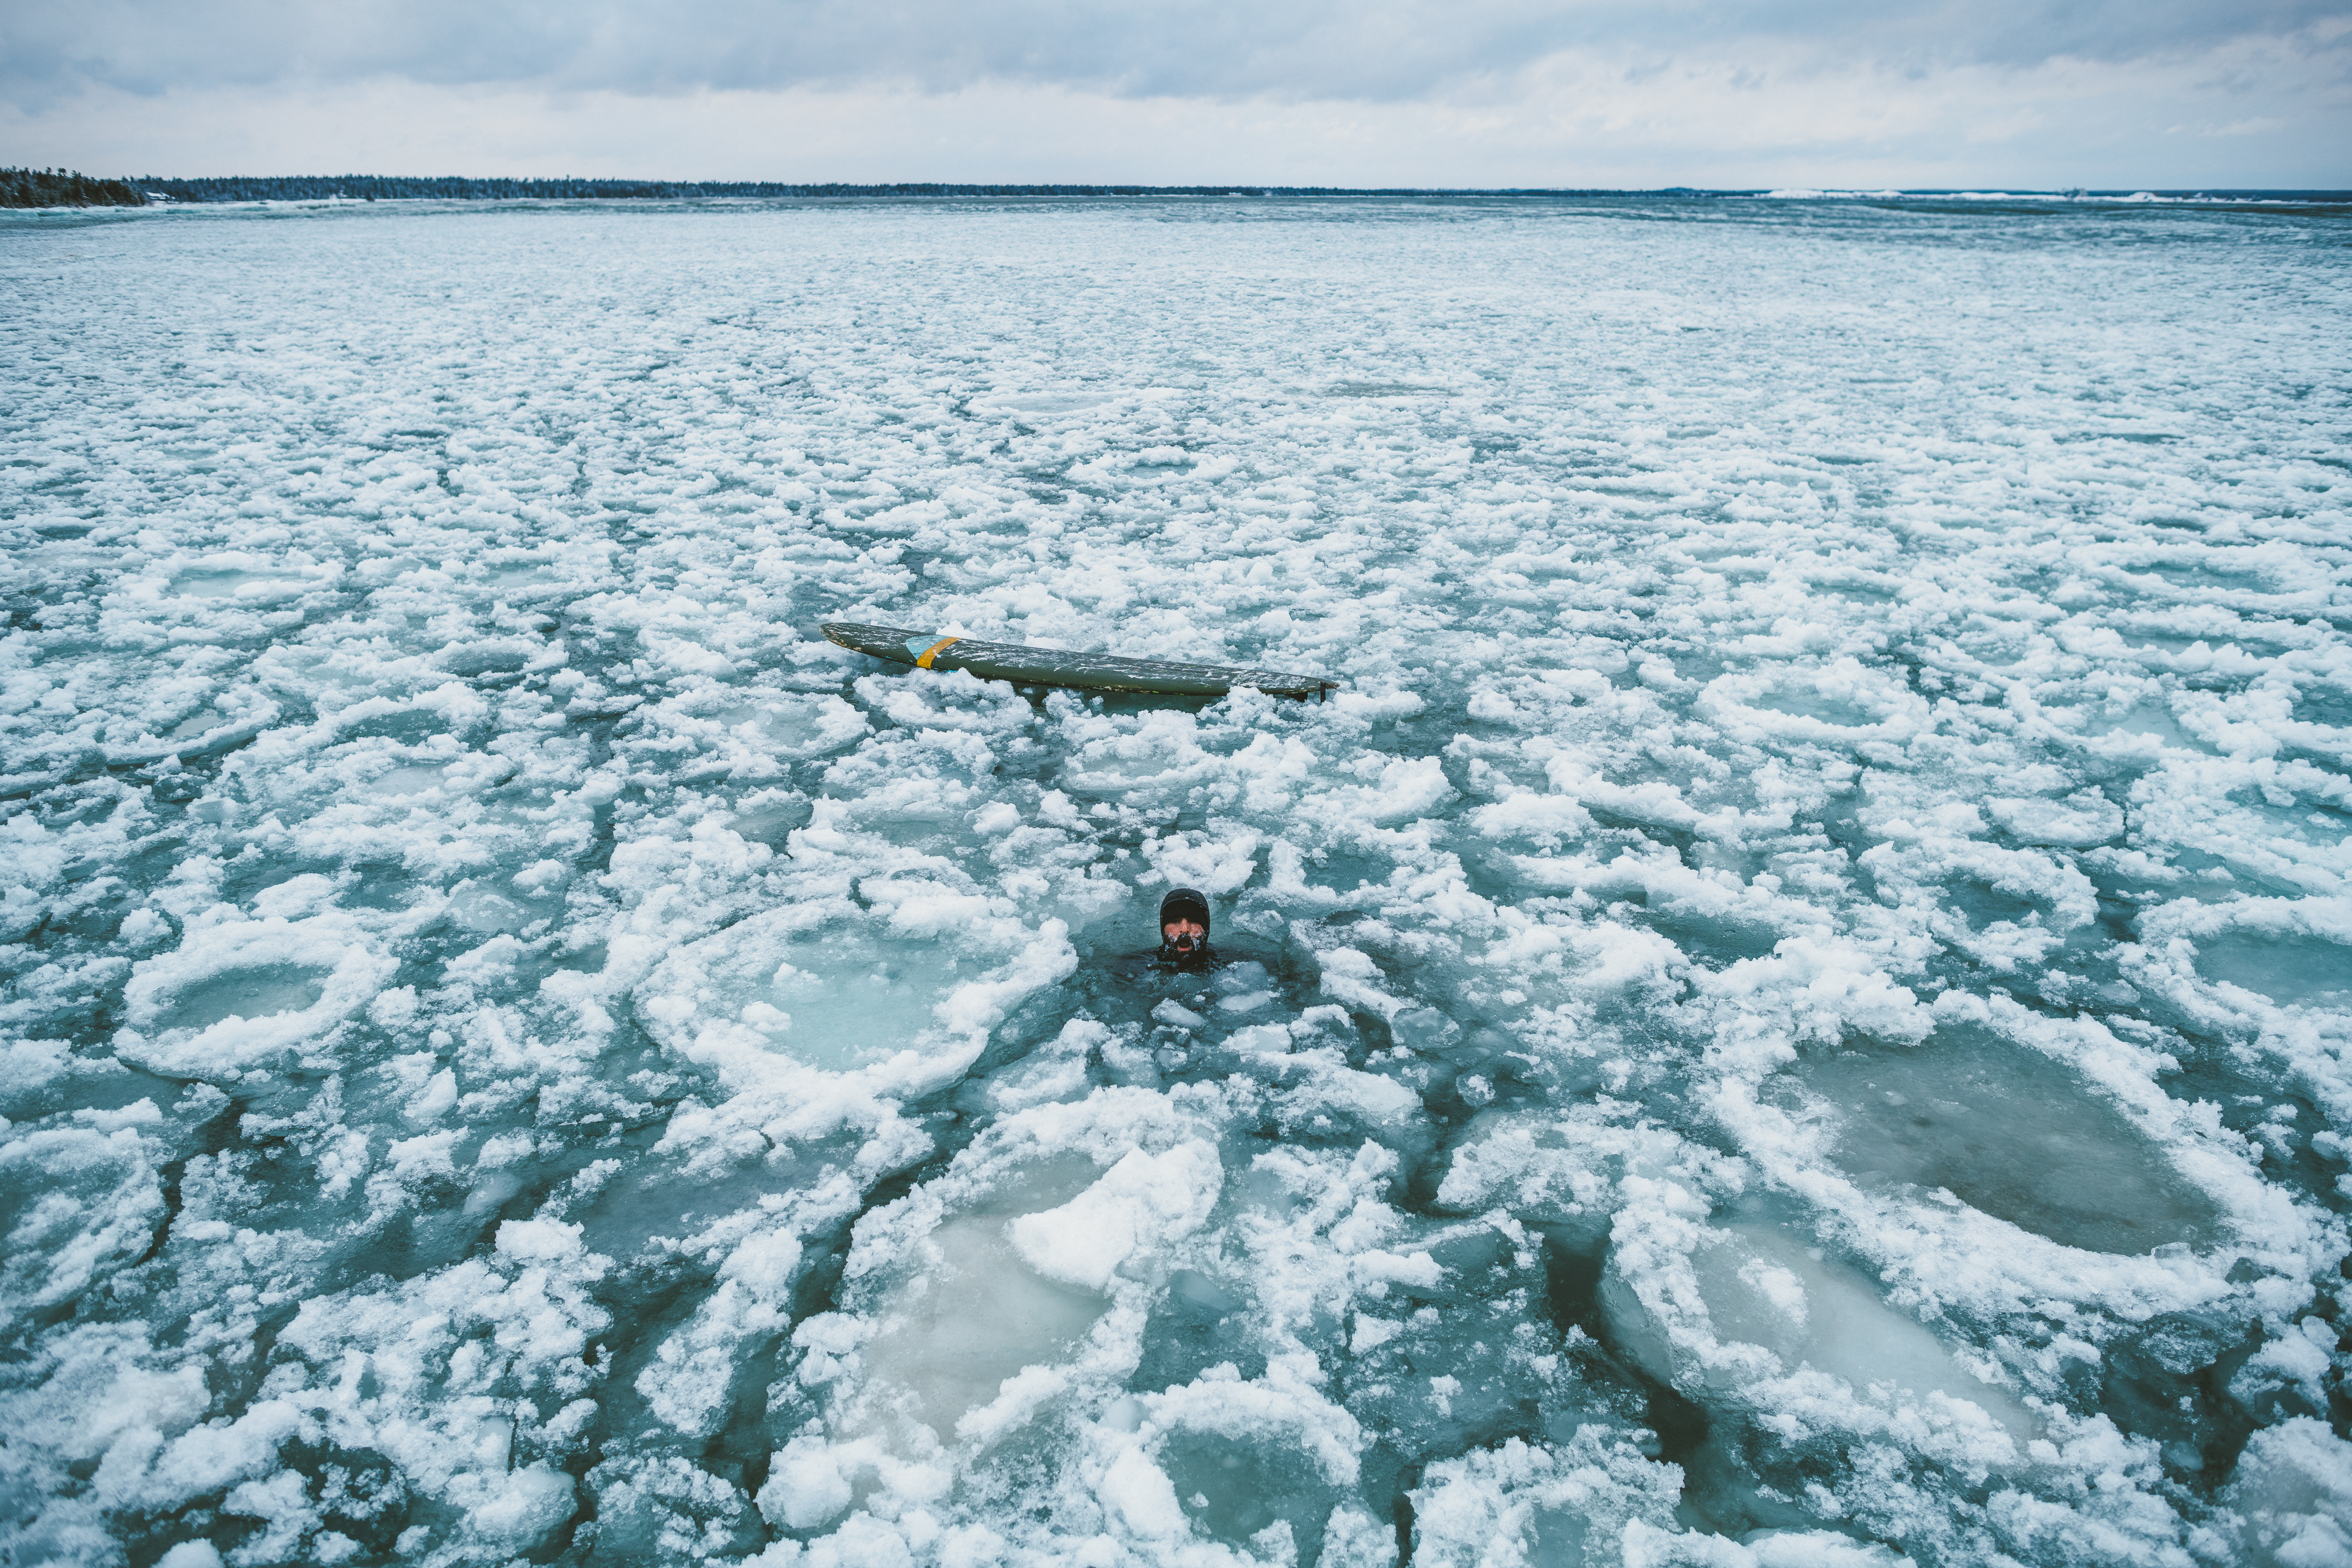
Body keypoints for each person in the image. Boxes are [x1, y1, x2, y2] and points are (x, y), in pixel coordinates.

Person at [1155, 886, 1217, 970]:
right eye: (1175, 921)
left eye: (1193, 921)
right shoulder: (1140, 964)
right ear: (1163, 929)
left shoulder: (1230, 963)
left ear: (1206, 929)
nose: (1185, 930)